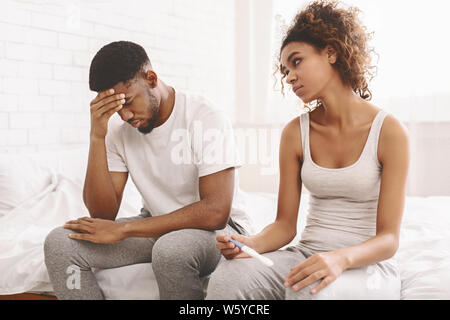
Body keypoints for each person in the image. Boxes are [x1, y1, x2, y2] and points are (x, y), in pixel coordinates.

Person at [206, 0, 410, 300]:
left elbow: (389, 239)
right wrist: (249, 243)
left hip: (366, 266)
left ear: (331, 52)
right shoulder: (295, 133)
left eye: (296, 62)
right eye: (285, 70)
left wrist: (340, 258)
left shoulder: (389, 132)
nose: (289, 77)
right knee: (229, 277)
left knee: (309, 290)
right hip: (306, 255)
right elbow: (284, 226)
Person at [43, 41, 252, 300]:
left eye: (128, 102)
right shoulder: (118, 130)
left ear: (150, 78)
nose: (126, 116)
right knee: (61, 243)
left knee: (171, 251)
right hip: (155, 226)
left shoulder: (204, 116)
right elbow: (102, 214)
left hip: (221, 232)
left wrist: (125, 230)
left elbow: (216, 212)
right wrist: (97, 136)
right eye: (116, 109)